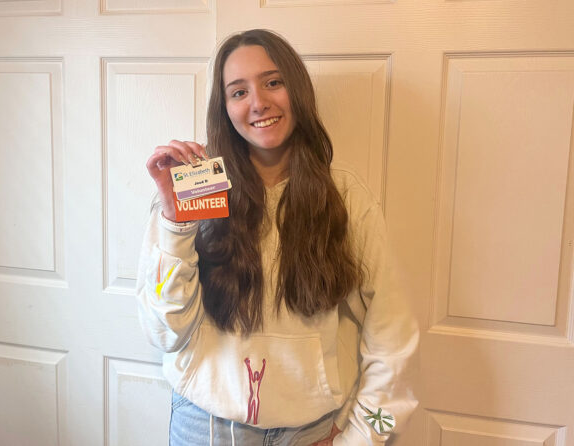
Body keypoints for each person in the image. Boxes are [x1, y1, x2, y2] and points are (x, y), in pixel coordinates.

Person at [136, 29, 418, 446]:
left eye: (273, 82)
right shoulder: (197, 192)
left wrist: (363, 436)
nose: (258, 103)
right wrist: (176, 225)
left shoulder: (346, 198)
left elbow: (394, 335)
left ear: (296, 90)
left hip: (313, 433)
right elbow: (164, 332)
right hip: (204, 428)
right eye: (238, 92)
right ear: (225, 107)